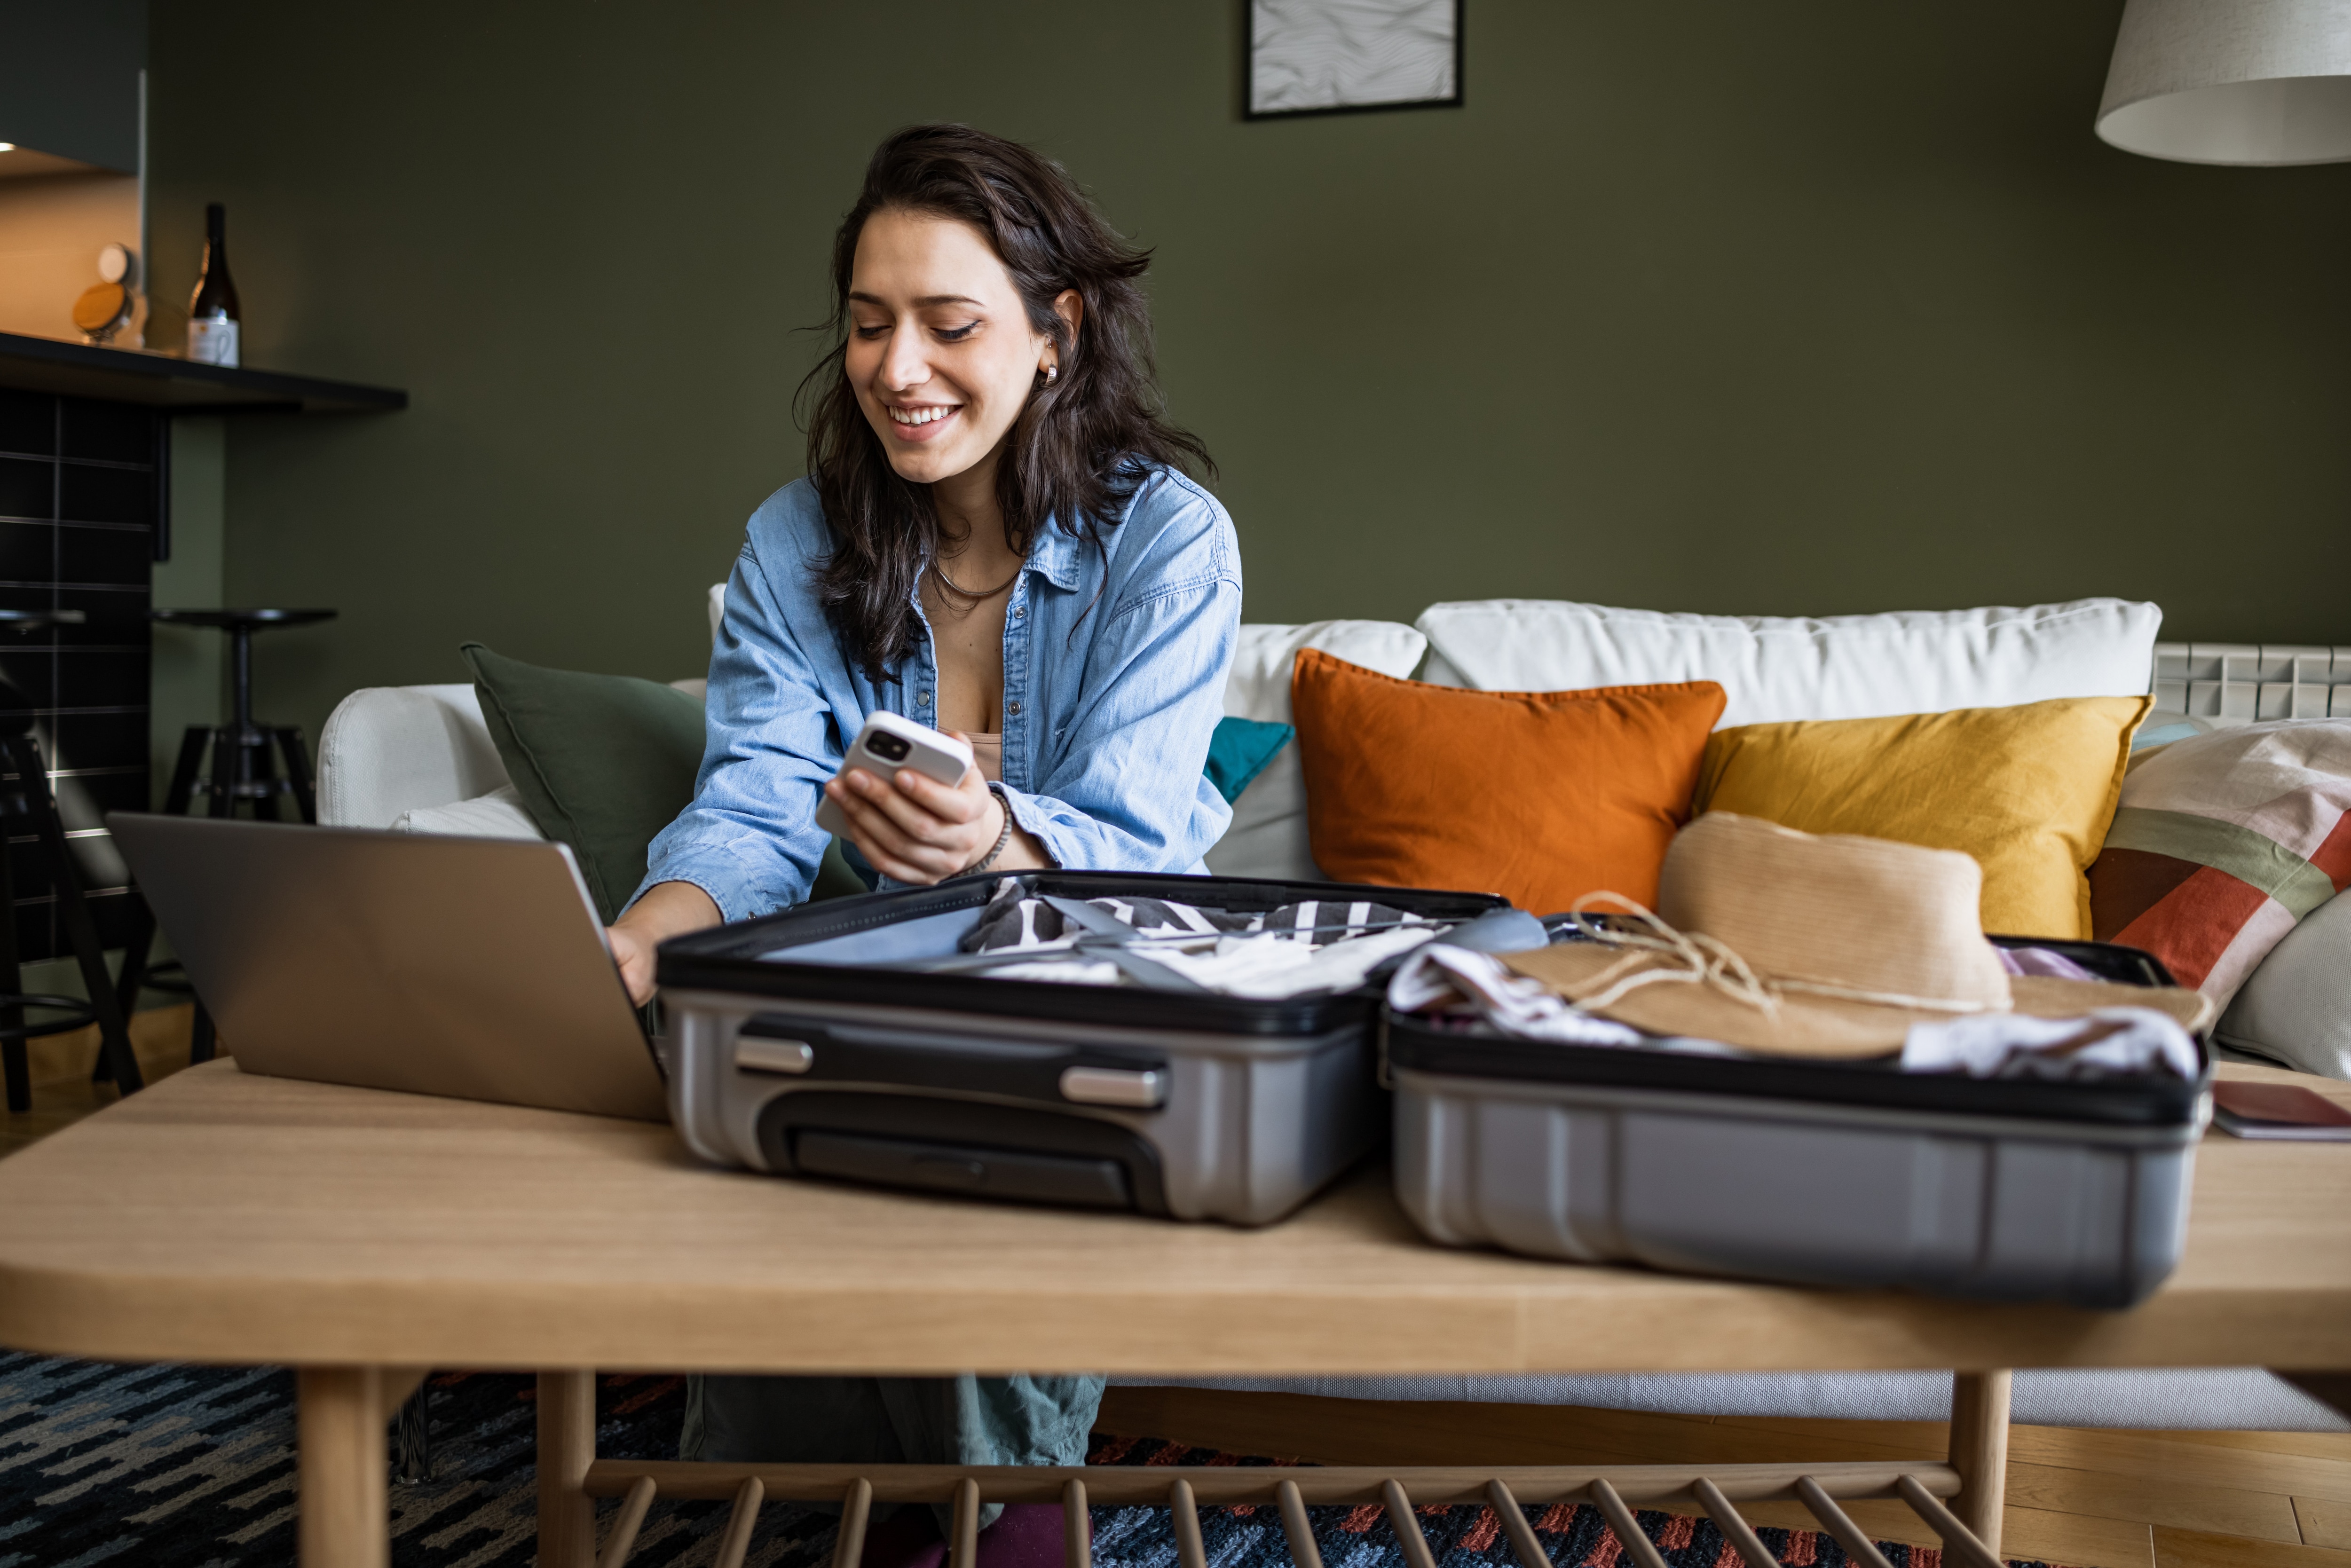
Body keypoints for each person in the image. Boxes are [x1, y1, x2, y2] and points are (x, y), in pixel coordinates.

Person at [607, 124, 1240, 1564]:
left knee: (959, 1065)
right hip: (856, 979)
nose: (900, 370)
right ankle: (845, 1503)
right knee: (739, 1028)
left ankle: (994, 1513)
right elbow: (757, 799)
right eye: (869, 324)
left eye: (950, 326)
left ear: (1053, 334)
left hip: (1093, 974)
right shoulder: (796, 537)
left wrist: (999, 836)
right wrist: (641, 945)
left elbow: (1136, 846)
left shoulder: (1170, 542)